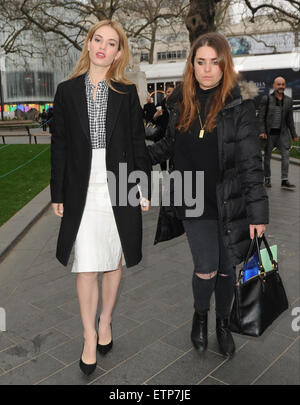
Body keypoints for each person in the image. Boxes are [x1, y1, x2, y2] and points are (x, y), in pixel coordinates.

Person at [148, 32, 268, 357]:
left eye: (214, 62)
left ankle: (222, 323)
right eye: (200, 62)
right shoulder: (179, 102)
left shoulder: (238, 106)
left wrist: (258, 215)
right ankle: (200, 316)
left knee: (228, 268)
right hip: (191, 197)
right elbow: (169, 145)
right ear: (192, 64)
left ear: (224, 64)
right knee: (206, 267)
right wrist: (137, 157)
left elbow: (250, 165)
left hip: (230, 201)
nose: (207, 69)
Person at [51, 20, 151, 376]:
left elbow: (138, 142)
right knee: (86, 263)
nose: (102, 47)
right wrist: (57, 191)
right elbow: (59, 145)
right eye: (97, 39)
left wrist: (141, 186)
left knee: (112, 258)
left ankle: (105, 319)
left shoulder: (126, 92)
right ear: (88, 43)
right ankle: (89, 336)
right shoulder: (66, 91)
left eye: (111, 43)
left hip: (119, 181)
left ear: (118, 52)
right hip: (81, 184)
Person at [258, 76, 299, 189]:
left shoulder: (288, 101)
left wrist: (294, 135)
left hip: (282, 134)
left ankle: (284, 180)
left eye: (283, 84)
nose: (281, 86)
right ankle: (267, 179)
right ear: (274, 86)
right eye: (278, 84)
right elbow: (260, 117)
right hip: (269, 134)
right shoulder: (266, 99)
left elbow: (290, 120)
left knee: (286, 156)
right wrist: (262, 131)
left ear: (285, 86)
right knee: (267, 157)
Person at [152, 84, 175, 171]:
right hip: (161, 136)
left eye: (172, 92)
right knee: (162, 160)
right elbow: (153, 121)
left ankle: (172, 176)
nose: (170, 94)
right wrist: (155, 116)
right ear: (165, 93)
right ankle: (165, 177)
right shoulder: (160, 105)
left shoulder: (178, 105)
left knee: (173, 158)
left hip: (173, 136)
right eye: (168, 92)